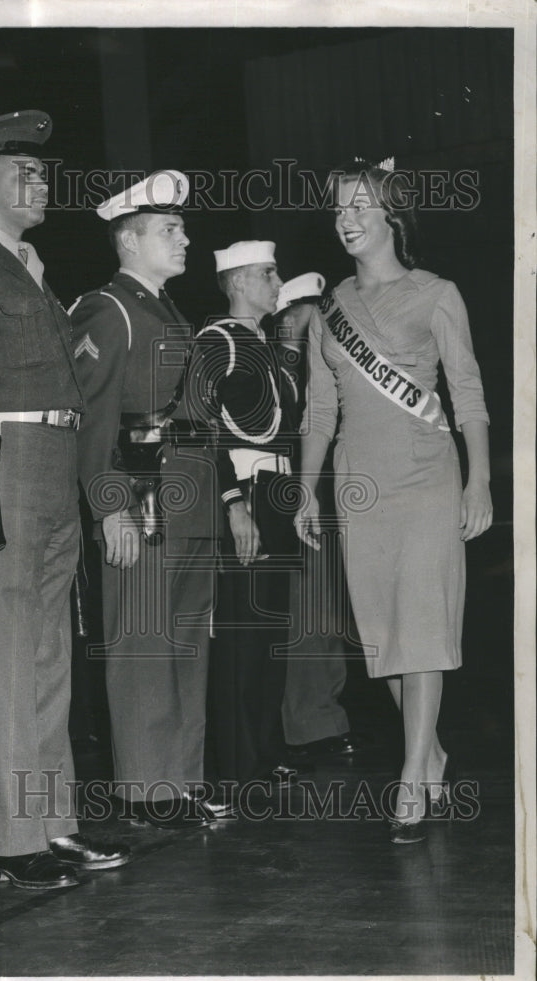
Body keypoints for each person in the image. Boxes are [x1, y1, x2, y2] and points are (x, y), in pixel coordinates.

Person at [0, 112, 130, 889]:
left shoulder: (31, 267)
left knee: (50, 658)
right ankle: (15, 841)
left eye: (43, 171)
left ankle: (55, 825)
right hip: (4, 463)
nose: (43, 181)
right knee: (11, 656)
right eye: (25, 171)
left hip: (51, 462)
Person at [295, 159, 492, 843]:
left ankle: (411, 778)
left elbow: (467, 393)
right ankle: (430, 750)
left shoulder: (436, 294)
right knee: (382, 638)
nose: (346, 220)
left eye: (358, 207)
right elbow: (319, 412)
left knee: (423, 631)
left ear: (391, 217)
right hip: (360, 486)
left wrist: (480, 480)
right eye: (338, 210)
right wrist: (304, 490)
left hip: (427, 479)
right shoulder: (328, 313)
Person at [70, 171, 220, 828]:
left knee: (185, 644)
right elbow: (92, 417)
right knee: (141, 643)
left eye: (182, 227)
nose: (184, 238)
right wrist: (108, 506)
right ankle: (142, 787)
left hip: (189, 500)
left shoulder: (165, 309)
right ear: (129, 239)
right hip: (143, 498)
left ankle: (180, 779)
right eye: (170, 229)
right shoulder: (109, 309)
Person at [193, 241, 310, 809]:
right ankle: (233, 766)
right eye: (269, 273)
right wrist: (232, 503)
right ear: (237, 282)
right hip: (248, 493)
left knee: (270, 633)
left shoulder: (265, 345)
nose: (277, 281)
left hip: (279, 494)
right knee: (240, 631)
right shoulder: (216, 342)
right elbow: (203, 428)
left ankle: (262, 753)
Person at [272, 277, 363, 764]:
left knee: (329, 616)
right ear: (287, 318)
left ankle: (323, 716)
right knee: (306, 616)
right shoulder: (272, 369)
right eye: (313, 316)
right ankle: (306, 725)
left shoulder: (323, 368)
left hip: (330, 499)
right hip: (291, 502)